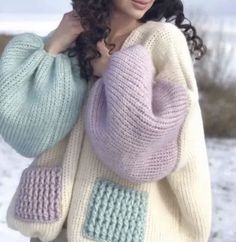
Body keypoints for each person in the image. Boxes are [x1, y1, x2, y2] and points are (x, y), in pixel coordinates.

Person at [0, 0, 212, 242]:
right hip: (51, 224)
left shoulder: (161, 39)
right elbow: (23, 133)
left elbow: (144, 148)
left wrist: (115, 72)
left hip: (118, 228)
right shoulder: (76, 36)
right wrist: (54, 46)